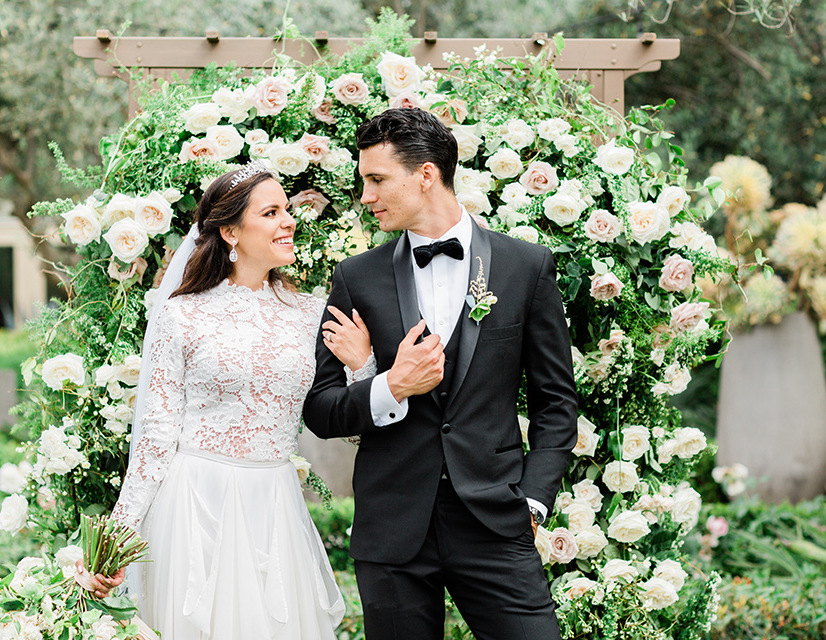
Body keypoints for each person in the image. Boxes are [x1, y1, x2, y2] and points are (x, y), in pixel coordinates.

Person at [303, 108, 579, 640]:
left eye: (377, 179)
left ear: (426, 175)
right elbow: (320, 408)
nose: (366, 196)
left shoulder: (526, 267)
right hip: (393, 528)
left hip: (496, 521)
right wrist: (389, 386)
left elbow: (556, 401)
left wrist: (535, 500)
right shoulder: (357, 278)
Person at [101, 163, 373, 640]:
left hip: (274, 504)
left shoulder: (311, 313)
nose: (288, 221)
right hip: (192, 503)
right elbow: (156, 435)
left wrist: (364, 365)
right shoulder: (181, 316)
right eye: (270, 212)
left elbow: (351, 421)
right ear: (230, 231)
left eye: (287, 210)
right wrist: (116, 539)